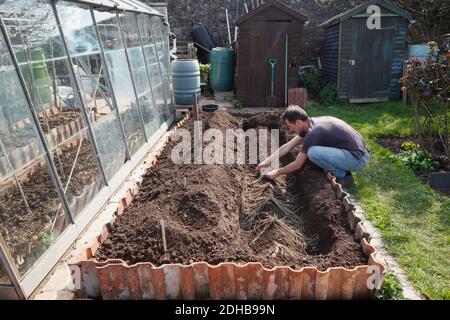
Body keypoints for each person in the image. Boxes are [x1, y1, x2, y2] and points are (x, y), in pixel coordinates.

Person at [256, 105, 370, 186]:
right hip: (358, 152)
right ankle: (340, 167)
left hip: (357, 159)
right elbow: (288, 146)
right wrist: (267, 161)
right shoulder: (311, 123)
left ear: (299, 122)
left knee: (313, 153)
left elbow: (297, 164)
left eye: (291, 127)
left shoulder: (313, 133)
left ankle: (343, 176)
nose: (291, 130)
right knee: (314, 154)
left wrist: (276, 173)